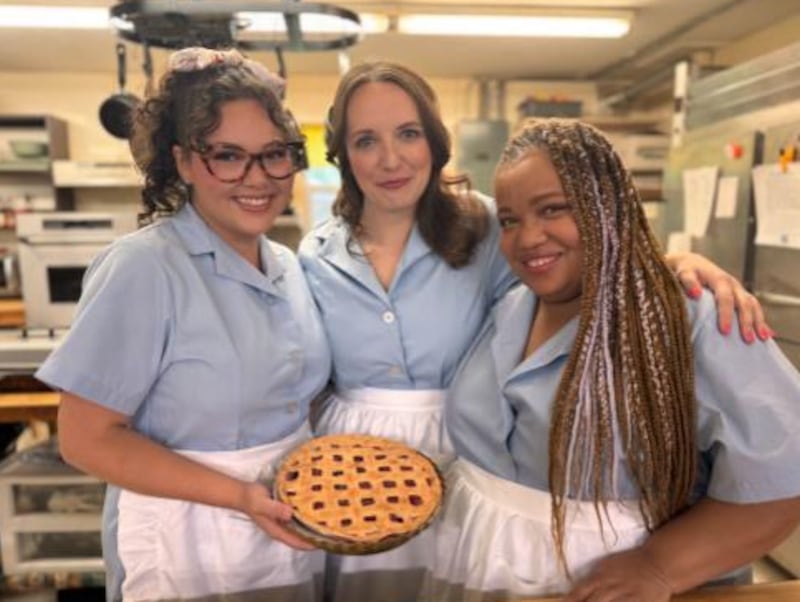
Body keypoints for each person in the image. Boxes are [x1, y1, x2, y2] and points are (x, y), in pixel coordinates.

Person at [297, 61, 773, 602]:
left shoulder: (485, 228)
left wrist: (676, 264)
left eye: (408, 132)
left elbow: (589, 251)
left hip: (472, 474)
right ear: (342, 155)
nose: (390, 157)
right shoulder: (314, 254)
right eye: (365, 140)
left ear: (435, 140)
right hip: (356, 481)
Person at [426, 118, 800, 602]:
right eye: (511, 220)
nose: (528, 237)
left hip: (608, 585)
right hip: (478, 569)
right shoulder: (508, 306)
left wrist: (658, 568)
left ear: (608, 208)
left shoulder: (687, 317)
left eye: (553, 209)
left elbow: (782, 479)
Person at [35, 47, 331, 602]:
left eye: (274, 154)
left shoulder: (288, 266)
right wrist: (240, 497)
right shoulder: (146, 268)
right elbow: (85, 441)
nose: (257, 177)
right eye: (227, 155)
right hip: (186, 538)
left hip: (283, 525)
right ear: (186, 162)